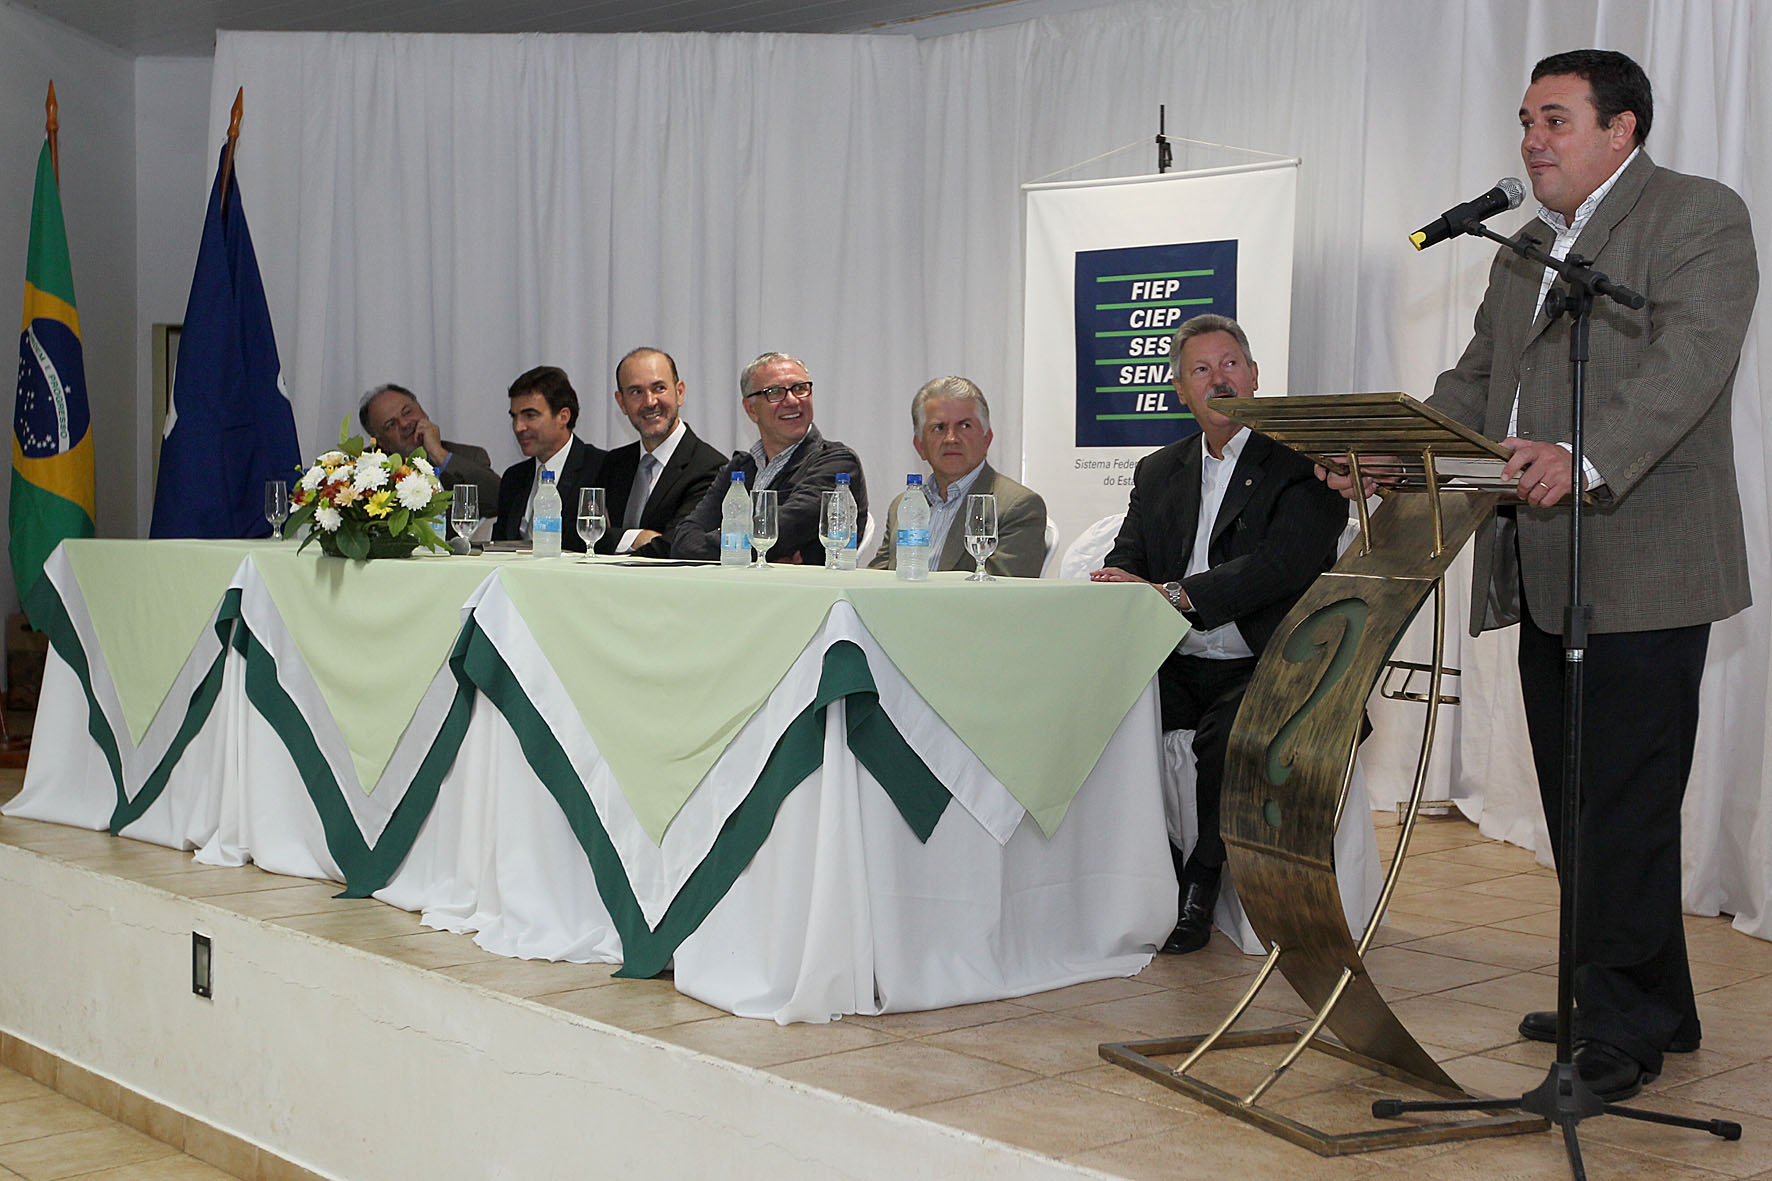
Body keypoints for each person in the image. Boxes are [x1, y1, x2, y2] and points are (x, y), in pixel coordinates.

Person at [1323, 50, 1757, 1102]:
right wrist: (1397, 451)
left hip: (1645, 558)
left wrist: (1586, 455)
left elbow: (1691, 362)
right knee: (1578, 798)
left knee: (1624, 803)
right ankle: (1648, 997)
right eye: (1525, 120)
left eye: (1555, 119)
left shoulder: (1696, 214)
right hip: (1541, 560)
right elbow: (1478, 380)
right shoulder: (1522, 245)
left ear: (1621, 128)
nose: (1531, 140)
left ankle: (1615, 1034)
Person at [1091, 314, 1347, 956]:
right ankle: (1134, 877)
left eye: (1231, 364)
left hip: (1271, 660)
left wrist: (1178, 595)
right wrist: (1120, 578)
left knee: (1226, 738)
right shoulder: (1158, 470)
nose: (1219, 379)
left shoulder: (1303, 464)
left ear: (1255, 375)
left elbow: (1282, 566)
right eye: (1201, 370)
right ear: (1181, 391)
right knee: (1094, 715)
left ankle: (1200, 884)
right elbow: (1131, 557)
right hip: (1177, 658)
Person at [671, 352, 868, 565]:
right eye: (775, 392)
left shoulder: (837, 464)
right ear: (751, 409)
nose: (792, 400)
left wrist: (738, 546)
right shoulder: (739, 469)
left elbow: (784, 531)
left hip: (804, 587)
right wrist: (759, 554)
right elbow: (682, 543)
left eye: (800, 388)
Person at [868, 376, 1048, 577]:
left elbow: (1004, 592)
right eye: (939, 428)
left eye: (965, 426)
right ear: (920, 446)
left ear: (987, 439)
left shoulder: (1017, 507)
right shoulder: (903, 506)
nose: (951, 438)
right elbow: (875, 579)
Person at [596, 348, 727, 558]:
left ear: (679, 392)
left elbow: (675, 545)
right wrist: (636, 538)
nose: (650, 402)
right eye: (636, 392)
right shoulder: (613, 463)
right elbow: (579, 533)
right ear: (622, 403)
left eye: (659, 388)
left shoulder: (711, 469)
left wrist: (611, 540)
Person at [491, 366, 606, 551]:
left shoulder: (601, 468)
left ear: (563, 417)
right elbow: (499, 546)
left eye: (530, 416)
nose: (519, 427)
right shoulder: (514, 477)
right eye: (515, 417)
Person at [358, 383, 500, 506]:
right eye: (391, 425)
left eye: (407, 412)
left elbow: (499, 502)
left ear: (422, 410)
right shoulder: (363, 471)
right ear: (382, 443)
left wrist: (439, 454)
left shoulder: (469, 457)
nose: (404, 424)